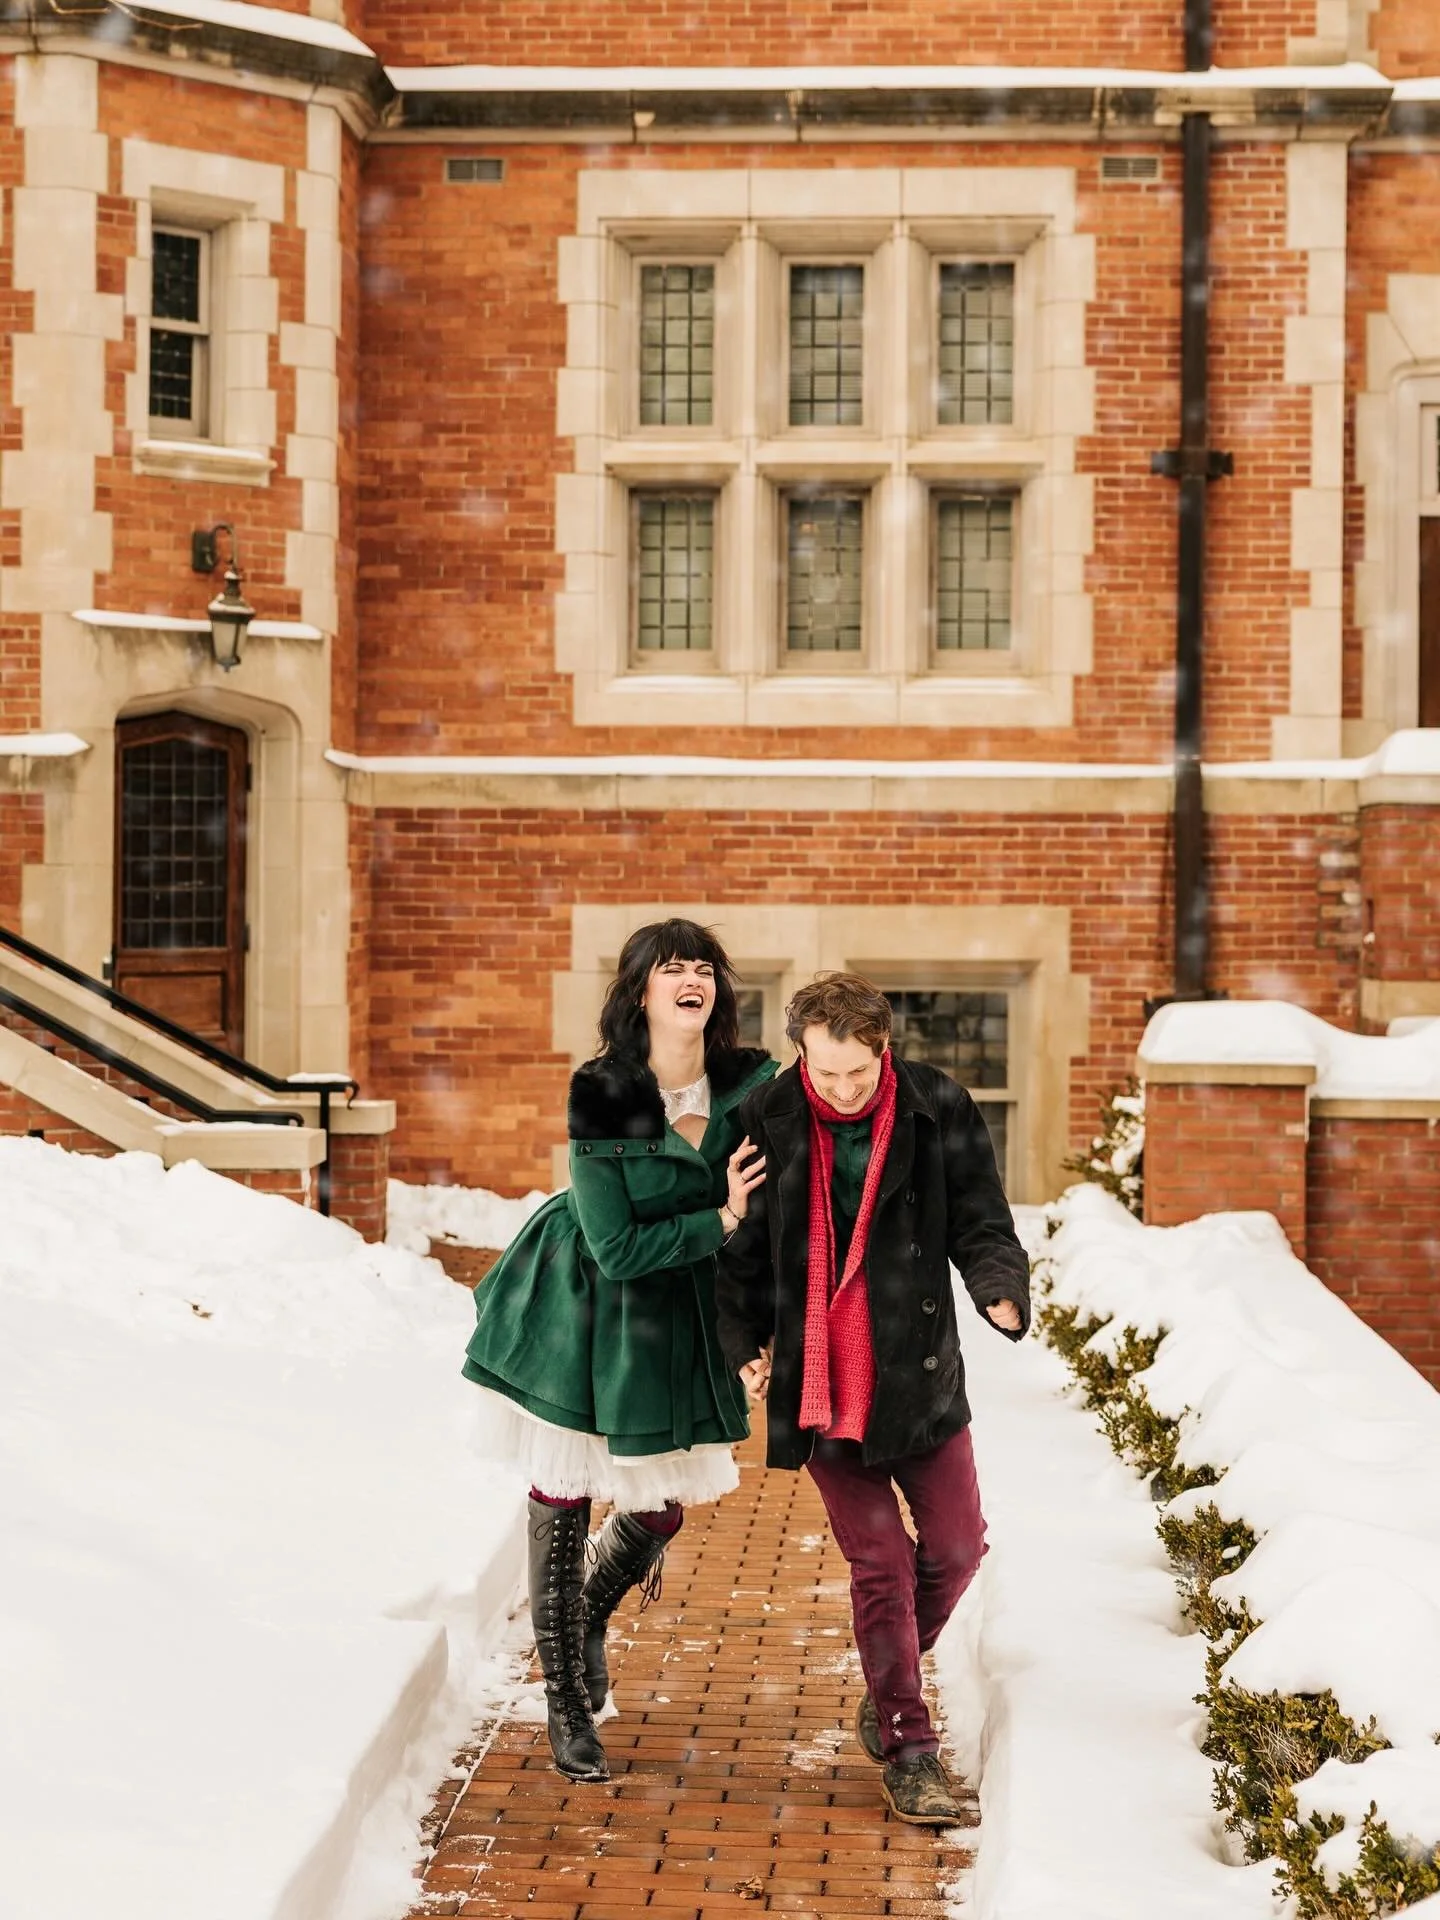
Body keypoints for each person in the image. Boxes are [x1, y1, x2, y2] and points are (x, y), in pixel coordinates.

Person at [461, 919, 773, 1783]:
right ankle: (566, 1700)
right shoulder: (605, 1089)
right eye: (671, 968)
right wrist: (718, 1217)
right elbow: (616, 1247)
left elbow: (776, 1219)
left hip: (681, 1308)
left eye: (704, 967)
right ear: (640, 992)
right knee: (564, 1494)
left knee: (661, 1505)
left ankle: (589, 1612)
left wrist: (757, 1324)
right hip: (585, 1301)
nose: (692, 979)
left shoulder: (751, 1085)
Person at [714, 972, 1030, 1825]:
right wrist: (743, 1345)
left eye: (860, 1071)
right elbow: (743, 1254)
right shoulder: (766, 1117)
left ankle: (891, 1678)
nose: (846, 1089)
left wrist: (998, 1286)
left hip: (917, 1372)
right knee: (882, 1564)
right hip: (821, 1379)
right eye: (828, 1072)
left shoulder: (936, 1106)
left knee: (957, 1549)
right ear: (800, 1055)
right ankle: (909, 1746)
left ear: (884, 1048)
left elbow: (981, 1218)